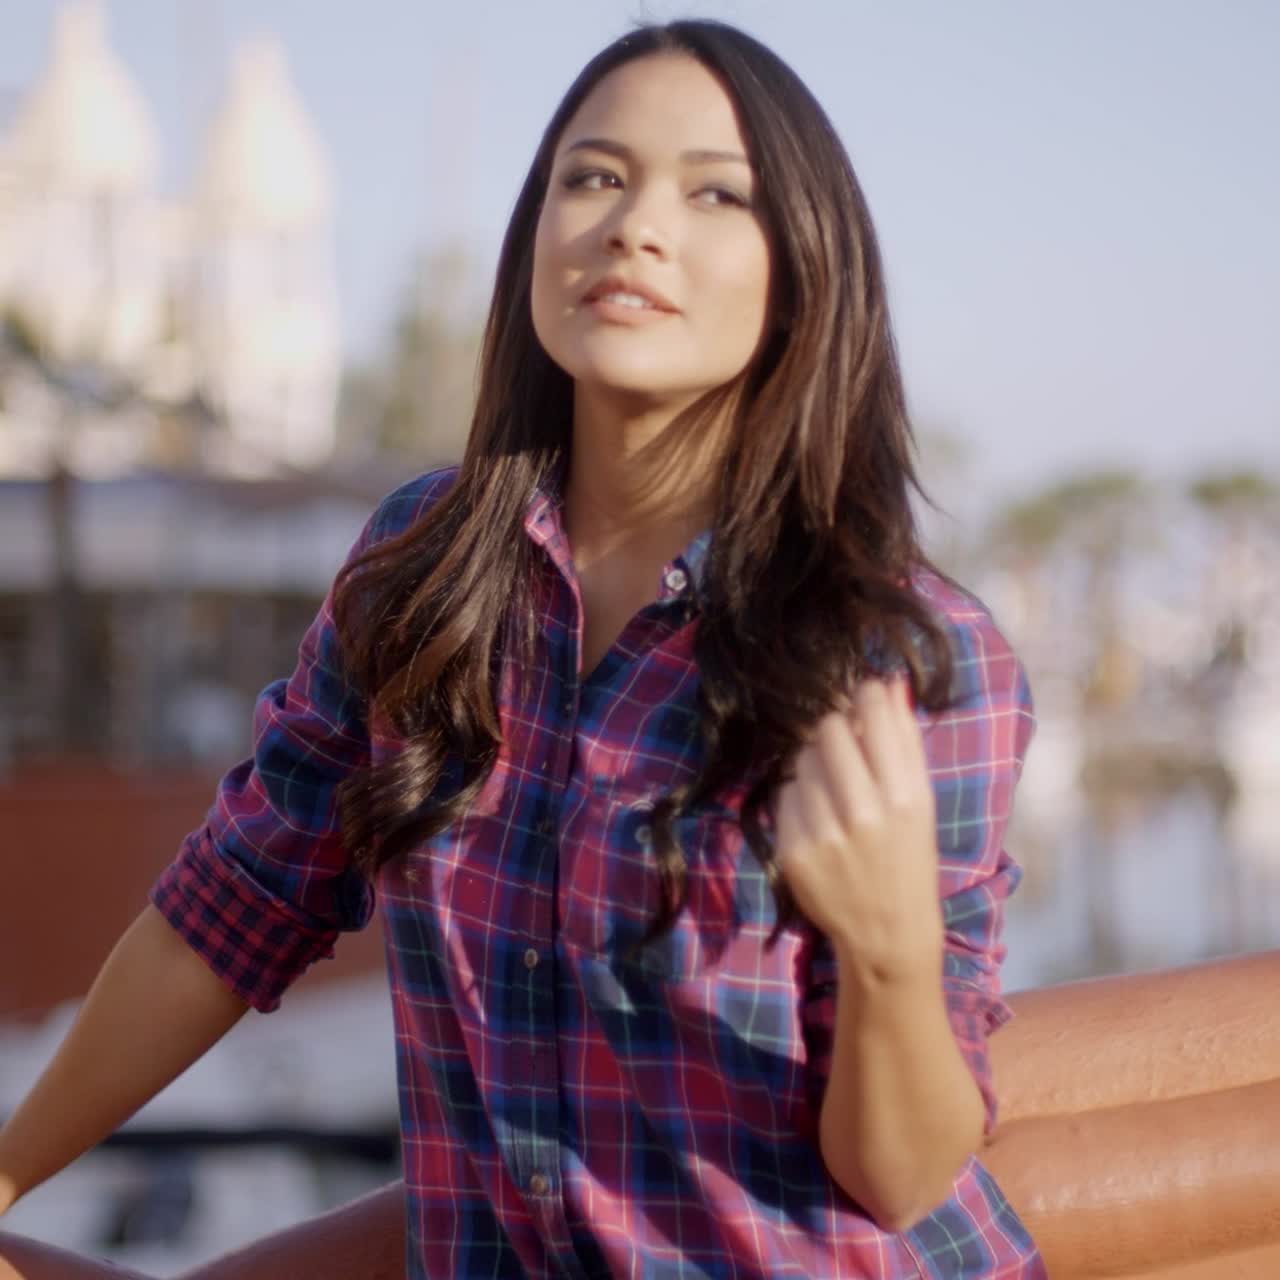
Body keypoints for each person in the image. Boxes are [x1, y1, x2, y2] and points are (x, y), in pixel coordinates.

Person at [0, 19, 1045, 1278]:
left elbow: (902, 1170)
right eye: (593, 176)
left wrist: (887, 948)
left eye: (714, 191)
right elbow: (230, 908)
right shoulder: (422, 573)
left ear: (800, 271)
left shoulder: (899, 651)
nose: (633, 225)